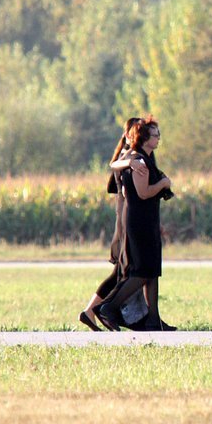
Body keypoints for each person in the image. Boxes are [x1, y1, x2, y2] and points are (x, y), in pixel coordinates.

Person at [98, 116, 175, 332]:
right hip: (139, 221)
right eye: (155, 135)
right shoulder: (139, 161)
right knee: (141, 272)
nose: (159, 138)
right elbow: (143, 193)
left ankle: (153, 319)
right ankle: (109, 307)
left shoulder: (145, 159)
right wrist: (163, 183)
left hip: (148, 220)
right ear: (144, 138)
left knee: (151, 271)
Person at [79, 117, 141, 331]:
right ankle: (98, 309)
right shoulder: (128, 158)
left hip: (122, 218)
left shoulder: (127, 157)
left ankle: (92, 310)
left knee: (119, 273)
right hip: (126, 221)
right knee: (120, 273)